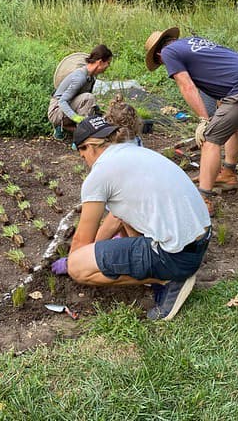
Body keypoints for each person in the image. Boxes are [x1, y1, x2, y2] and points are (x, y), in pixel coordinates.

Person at [53, 116, 211, 321]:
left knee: (78, 267)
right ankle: (161, 267)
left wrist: (73, 262)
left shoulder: (100, 174)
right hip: (199, 241)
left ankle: (168, 280)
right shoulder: (134, 152)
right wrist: (99, 251)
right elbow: (117, 217)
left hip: (176, 257)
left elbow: (82, 240)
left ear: (89, 147)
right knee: (121, 216)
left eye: (81, 151)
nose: (83, 159)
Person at [144, 28, 238, 215]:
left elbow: (186, 86)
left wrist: (204, 120)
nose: (165, 66)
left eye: (160, 63)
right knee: (228, 126)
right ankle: (227, 174)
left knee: (210, 137)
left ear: (158, 54)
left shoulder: (168, 53)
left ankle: (203, 199)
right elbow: (219, 68)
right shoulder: (192, 43)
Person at [48, 45, 113, 138]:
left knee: (94, 110)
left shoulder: (91, 78)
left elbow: (82, 102)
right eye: (108, 63)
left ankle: (69, 128)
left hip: (69, 107)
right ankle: (81, 137)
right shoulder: (80, 78)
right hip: (56, 110)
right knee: (88, 98)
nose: (108, 66)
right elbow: (62, 101)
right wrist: (76, 118)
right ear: (100, 62)